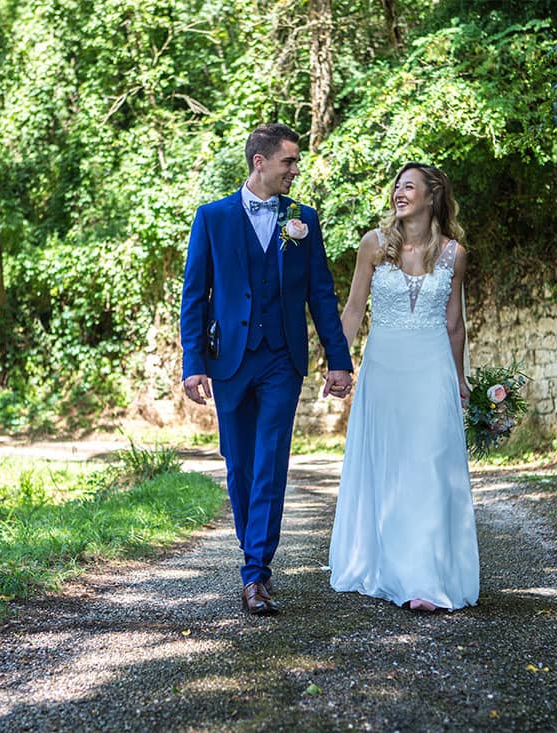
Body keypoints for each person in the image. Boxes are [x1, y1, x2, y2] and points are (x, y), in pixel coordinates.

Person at [180, 123, 354, 615]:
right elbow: (195, 296)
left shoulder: (304, 220)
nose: (295, 171)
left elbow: (322, 294)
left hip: (282, 358)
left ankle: (256, 571)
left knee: (271, 461)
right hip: (229, 361)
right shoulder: (211, 218)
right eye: (289, 162)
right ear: (260, 162)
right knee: (239, 465)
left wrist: (337, 360)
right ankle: (252, 551)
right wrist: (193, 363)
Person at [328, 162, 480, 612]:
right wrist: (339, 363)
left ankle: (426, 578)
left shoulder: (455, 253)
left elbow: (455, 323)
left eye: (409, 187)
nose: (399, 193)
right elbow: (354, 309)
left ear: (432, 197)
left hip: (432, 368)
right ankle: (387, 565)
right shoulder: (374, 245)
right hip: (385, 370)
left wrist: (459, 379)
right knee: (390, 467)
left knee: (429, 463)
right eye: (396, 186)